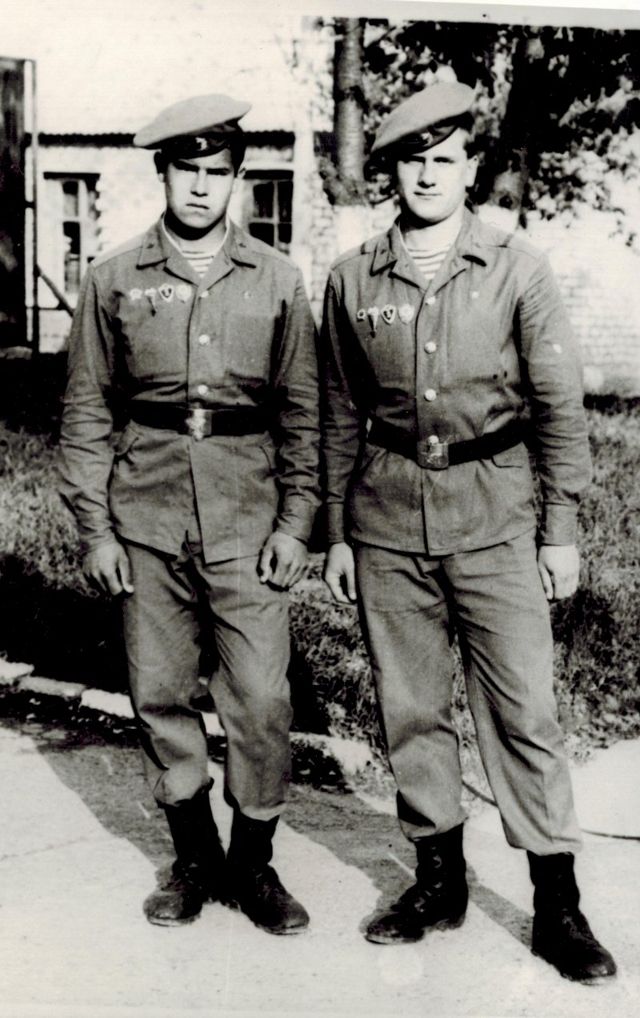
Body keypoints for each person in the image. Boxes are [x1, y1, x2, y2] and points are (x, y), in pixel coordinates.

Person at [321, 81, 616, 983]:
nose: (428, 176)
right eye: (412, 161)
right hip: (385, 519)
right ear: (392, 171)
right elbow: (337, 412)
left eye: (445, 159)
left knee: (523, 710)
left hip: (495, 516)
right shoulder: (352, 278)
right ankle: (438, 882)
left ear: (470, 167)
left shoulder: (518, 269)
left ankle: (557, 903)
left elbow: (559, 406)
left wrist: (560, 529)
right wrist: (336, 531)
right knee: (411, 707)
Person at [59, 94, 320, 934]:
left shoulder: (277, 280)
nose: (203, 187)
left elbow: (304, 414)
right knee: (160, 691)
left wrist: (297, 523)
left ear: (237, 179)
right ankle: (194, 859)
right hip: (148, 512)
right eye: (188, 170)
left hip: (248, 513)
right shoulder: (115, 278)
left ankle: (253, 863)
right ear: (162, 174)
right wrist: (96, 531)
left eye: (219, 172)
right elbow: (86, 413)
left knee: (261, 698)